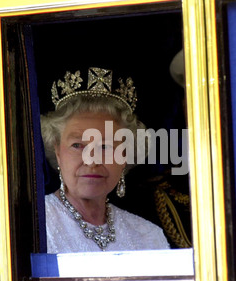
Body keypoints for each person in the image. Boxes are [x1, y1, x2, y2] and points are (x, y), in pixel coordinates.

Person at [40, 67, 170, 253]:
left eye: (105, 147)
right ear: (58, 152)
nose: (92, 161)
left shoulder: (148, 235)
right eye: (78, 145)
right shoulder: (33, 226)